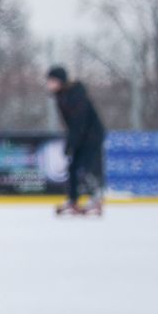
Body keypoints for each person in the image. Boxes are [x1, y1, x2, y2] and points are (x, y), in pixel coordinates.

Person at [47, 65, 107, 216]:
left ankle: (96, 199)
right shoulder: (61, 96)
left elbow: (79, 121)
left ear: (60, 81)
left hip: (91, 136)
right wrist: (72, 141)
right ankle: (73, 200)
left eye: (52, 81)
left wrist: (72, 142)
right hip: (80, 136)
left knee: (87, 167)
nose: (49, 84)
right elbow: (72, 124)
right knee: (72, 167)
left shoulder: (75, 94)